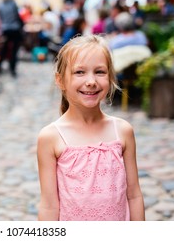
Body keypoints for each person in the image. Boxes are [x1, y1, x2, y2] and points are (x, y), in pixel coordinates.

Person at [37, 34, 145, 221]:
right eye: (80, 72)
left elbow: (134, 195)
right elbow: (49, 206)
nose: (91, 81)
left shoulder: (122, 131)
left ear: (110, 77)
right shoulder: (51, 137)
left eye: (100, 72)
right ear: (60, 80)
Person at [0, 0, 24, 77]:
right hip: (15, 29)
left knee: (4, 49)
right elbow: (17, 16)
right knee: (14, 50)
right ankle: (12, 68)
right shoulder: (13, 3)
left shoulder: (0, 5)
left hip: (5, 29)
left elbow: (1, 17)